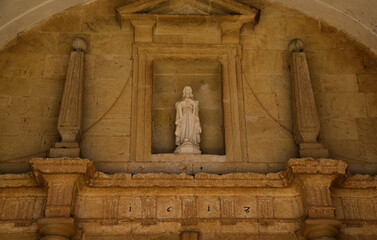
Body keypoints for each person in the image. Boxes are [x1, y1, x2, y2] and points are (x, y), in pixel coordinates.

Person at [174, 86, 201, 153]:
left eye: (188, 90)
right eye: (186, 90)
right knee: (183, 127)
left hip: (191, 115)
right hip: (183, 115)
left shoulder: (194, 101)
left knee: (191, 126)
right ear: (184, 91)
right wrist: (183, 102)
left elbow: (196, 107)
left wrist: (191, 102)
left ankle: (192, 141)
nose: (187, 91)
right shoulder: (181, 101)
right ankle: (183, 140)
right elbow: (178, 105)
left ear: (190, 91)